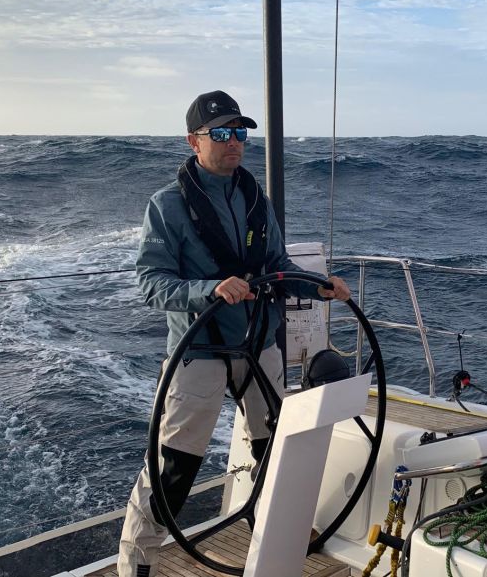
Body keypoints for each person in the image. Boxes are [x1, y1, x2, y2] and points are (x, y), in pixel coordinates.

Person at [117, 90, 350, 577]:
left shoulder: (254, 198)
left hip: (259, 345)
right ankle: (137, 560)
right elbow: (150, 284)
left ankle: (279, 528)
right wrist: (210, 289)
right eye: (220, 133)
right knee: (174, 469)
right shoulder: (166, 206)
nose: (234, 143)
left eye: (239, 132)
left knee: (275, 450)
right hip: (199, 351)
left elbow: (278, 266)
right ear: (193, 141)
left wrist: (320, 285)